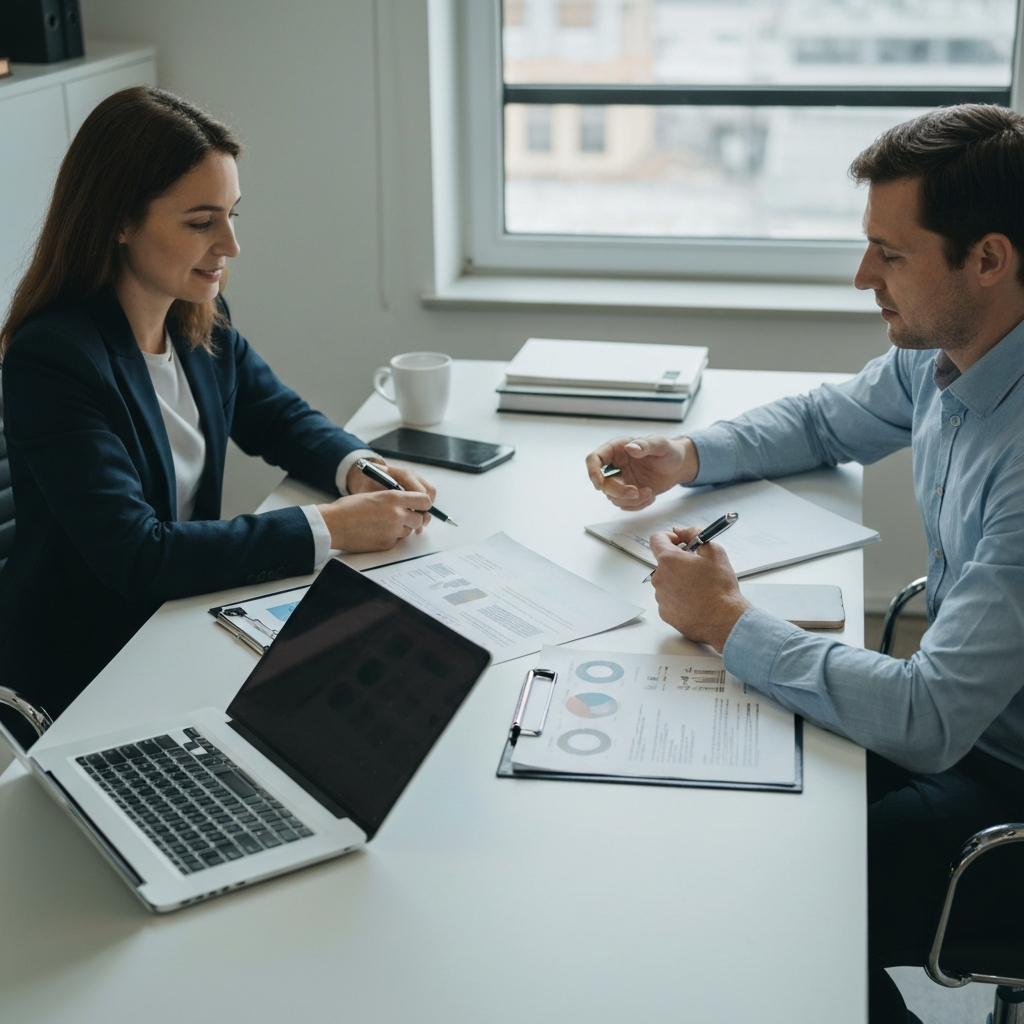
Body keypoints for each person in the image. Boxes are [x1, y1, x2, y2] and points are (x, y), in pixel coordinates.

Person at [586, 104, 1024, 1024]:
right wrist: (686, 455)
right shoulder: (957, 351)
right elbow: (829, 420)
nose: (864, 276)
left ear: (989, 258)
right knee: (712, 815)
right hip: (964, 728)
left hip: (1005, 795)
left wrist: (726, 619)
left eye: (891, 255)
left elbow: (929, 716)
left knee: (767, 906)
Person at [0, 86, 437, 721]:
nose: (230, 246)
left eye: (234, 214)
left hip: (175, 622)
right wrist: (336, 527)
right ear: (118, 221)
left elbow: (278, 417)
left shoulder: (199, 316)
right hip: (87, 666)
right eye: (202, 222)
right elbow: (140, 554)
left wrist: (360, 466)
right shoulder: (55, 358)